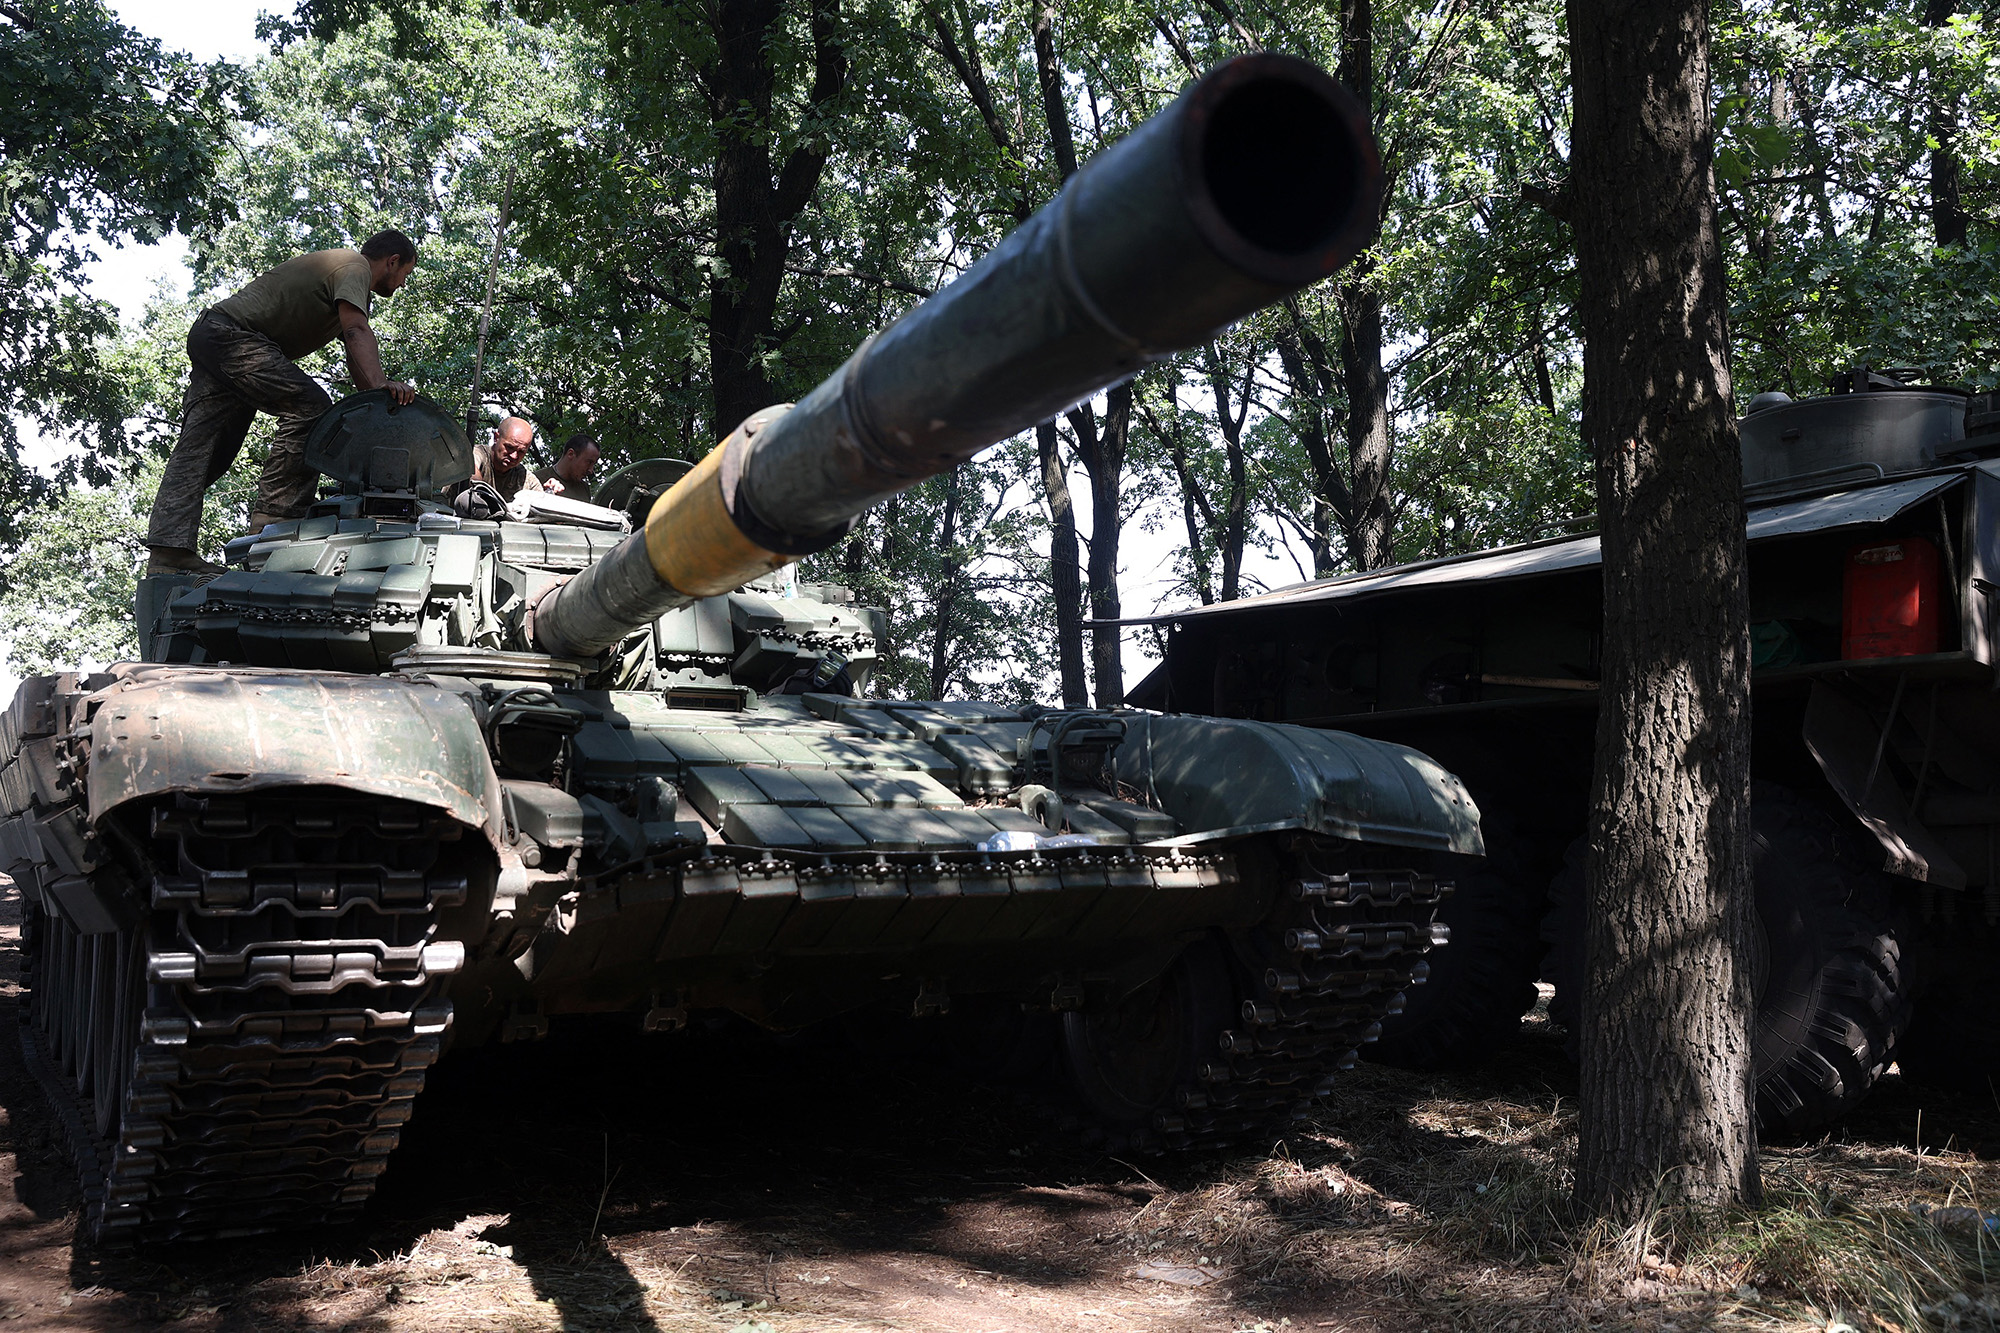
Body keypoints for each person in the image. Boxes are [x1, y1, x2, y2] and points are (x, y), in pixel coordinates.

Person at [144, 230, 420, 575]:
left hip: (214, 335)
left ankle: (168, 553)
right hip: (235, 338)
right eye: (406, 274)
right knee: (312, 407)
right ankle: (274, 522)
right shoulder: (355, 267)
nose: (403, 284)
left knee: (203, 451)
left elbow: (354, 355)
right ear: (392, 262)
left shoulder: (343, 279)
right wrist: (382, 385)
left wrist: (377, 400)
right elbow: (356, 332)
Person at [471, 416, 544, 502]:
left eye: (521, 451)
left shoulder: (524, 478)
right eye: (509, 447)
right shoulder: (479, 453)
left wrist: (549, 494)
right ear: (496, 438)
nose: (514, 456)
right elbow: (469, 467)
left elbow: (541, 504)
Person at [535, 434, 601, 498]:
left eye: (593, 464)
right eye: (589, 462)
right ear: (570, 454)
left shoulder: (584, 489)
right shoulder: (536, 480)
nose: (591, 470)